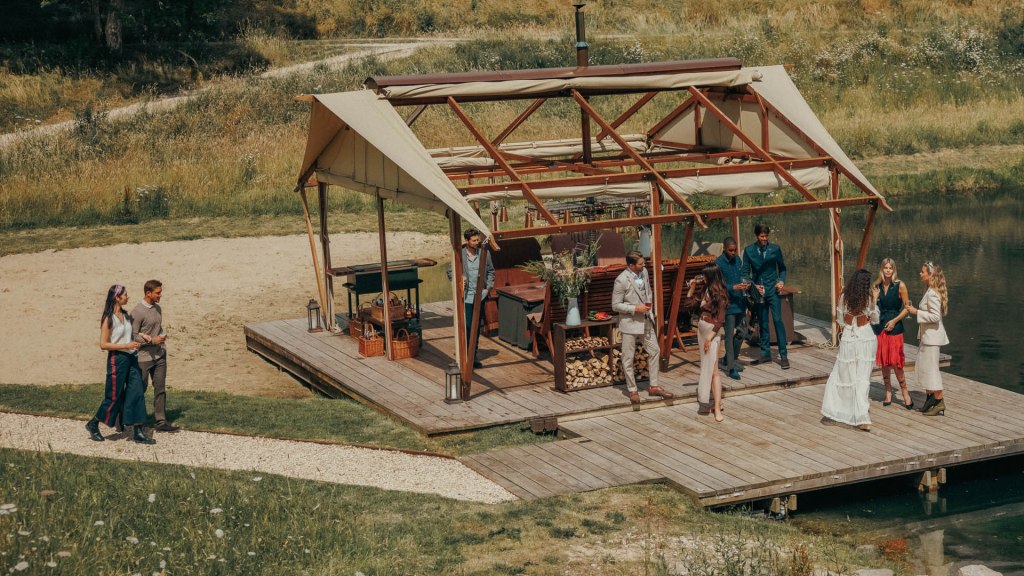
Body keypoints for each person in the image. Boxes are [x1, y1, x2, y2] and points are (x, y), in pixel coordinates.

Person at [85, 284, 156, 445]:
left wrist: (141, 336)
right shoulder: (108, 318)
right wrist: (126, 346)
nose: (127, 297)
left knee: (137, 392)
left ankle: (138, 431)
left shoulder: (126, 315)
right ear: (116, 298)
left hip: (131, 358)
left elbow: (130, 335)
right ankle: (93, 423)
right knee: (114, 397)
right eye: (125, 295)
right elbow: (103, 344)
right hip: (117, 359)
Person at [820, 269, 879, 432]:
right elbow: (875, 319)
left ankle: (841, 409)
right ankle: (861, 416)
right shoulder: (867, 299)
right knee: (862, 378)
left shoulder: (844, 296)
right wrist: (875, 300)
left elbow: (840, 319)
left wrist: (849, 323)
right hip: (865, 338)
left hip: (848, 338)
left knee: (843, 375)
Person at [612, 250, 673, 404]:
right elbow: (615, 305)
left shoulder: (644, 272)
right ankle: (632, 390)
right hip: (630, 323)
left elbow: (649, 291)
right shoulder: (621, 280)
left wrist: (649, 308)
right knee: (628, 357)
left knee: (655, 350)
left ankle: (653, 386)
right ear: (631, 265)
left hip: (646, 320)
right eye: (640, 263)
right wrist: (634, 308)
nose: (644, 265)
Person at [740, 223, 790, 369]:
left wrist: (781, 281)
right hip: (759, 291)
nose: (764, 239)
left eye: (766, 236)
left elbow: (783, 269)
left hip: (773, 290)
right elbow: (744, 273)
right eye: (762, 236)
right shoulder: (749, 251)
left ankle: (783, 355)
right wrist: (753, 286)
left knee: (778, 320)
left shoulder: (775, 249)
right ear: (756, 236)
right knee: (763, 322)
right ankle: (765, 354)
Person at [132, 279, 178, 432]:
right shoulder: (137, 312)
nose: (160, 295)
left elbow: (157, 327)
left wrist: (162, 335)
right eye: (158, 293)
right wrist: (152, 340)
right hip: (143, 358)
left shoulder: (158, 308)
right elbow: (132, 336)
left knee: (160, 388)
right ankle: (129, 417)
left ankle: (160, 421)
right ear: (148, 293)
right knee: (140, 389)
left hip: (159, 356)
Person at [904, 261, 949, 416]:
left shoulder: (933, 294)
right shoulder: (930, 290)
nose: (920, 274)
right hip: (926, 337)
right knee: (925, 369)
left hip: (932, 338)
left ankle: (939, 401)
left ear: (930, 275)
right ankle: (930, 399)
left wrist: (917, 312)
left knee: (932, 370)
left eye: (922, 272)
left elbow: (936, 317)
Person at [685, 263, 729, 421]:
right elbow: (689, 305)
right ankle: (713, 401)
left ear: (711, 276)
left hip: (711, 333)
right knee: (708, 368)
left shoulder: (720, 294)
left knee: (714, 371)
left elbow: (720, 321)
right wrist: (692, 287)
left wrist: (709, 339)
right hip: (701, 330)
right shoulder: (705, 290)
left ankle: (717, 406)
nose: (702, 277)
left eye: (704, 275)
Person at [874, 258, 913, 409]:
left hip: (895, 326)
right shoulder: (877, 286)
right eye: (885, 268)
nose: (888, 270)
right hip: (881, 326)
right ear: (882, 269)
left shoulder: (900, 285)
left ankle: (905, 392)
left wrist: (895, 321)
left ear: (894, 269)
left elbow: (907, 308)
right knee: (884, 361)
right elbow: (871, 310)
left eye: (890, 268)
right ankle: (888, 391)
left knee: (897, 363)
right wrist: (875, 298)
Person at [715, 237, 749, 381]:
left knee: (742, 332)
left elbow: (743, 275)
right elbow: (717, 286)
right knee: (728, 336)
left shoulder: (738, 261)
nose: (733, 253)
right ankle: (731, 367)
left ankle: (729, 359)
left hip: (740, 303)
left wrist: (746, 283)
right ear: (724, 248)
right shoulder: (718, 263)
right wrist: (732, 287)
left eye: (735, 250)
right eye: (730, 250)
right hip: (728, 305)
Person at [459, 230, 494, 369]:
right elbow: (451, 271)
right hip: (466, 297)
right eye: (473, 240)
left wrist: (488, 288)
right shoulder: (460, 255)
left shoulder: (484, 253)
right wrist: (459, 281)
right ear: (467, 241)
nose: (476, 242)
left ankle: (473, 357)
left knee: (476, 327)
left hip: (481, 296)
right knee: (467, 326)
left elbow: (491, 271)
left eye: (477, 240)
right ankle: (465, 355)